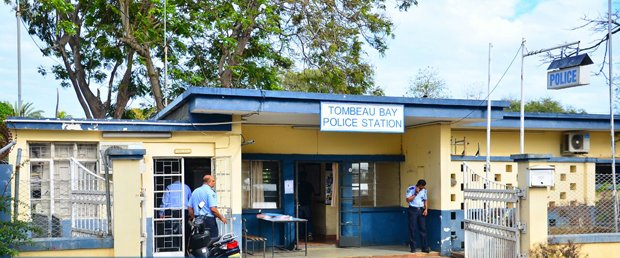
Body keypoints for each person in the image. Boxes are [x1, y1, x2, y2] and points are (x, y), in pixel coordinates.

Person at [159, 176, 191, 250]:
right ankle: (185, 249)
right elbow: (190, 201)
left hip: (172, 212)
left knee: (173, 232)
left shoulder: (169, 187)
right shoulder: (186, 187)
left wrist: (161, 213)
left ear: (172, 179)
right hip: (184, 211)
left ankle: (175, 249)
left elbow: (165, 201)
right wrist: (191, 213)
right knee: (185, 231)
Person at [406, 179, 429, 253]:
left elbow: (425, 200)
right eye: (421, 187)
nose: (422, 188)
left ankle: (424, 247)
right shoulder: (411, 189)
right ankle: (413, 247)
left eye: (423, 187)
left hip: (421, 210)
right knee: (412, 229)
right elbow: (408, 200)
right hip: (413, 210)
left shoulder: (424, 190)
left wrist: (426, 209)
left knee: (423, 229)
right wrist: (415, 193)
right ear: (418, 185)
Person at [298, 172, 315, 240]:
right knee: (309, 220)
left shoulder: (298, 185)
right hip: (307, 205)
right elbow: (313, 195)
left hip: (299, 205)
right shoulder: (309, 184)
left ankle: (301, 235)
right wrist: (313, 205)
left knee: (300, 221)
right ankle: (309, 234)